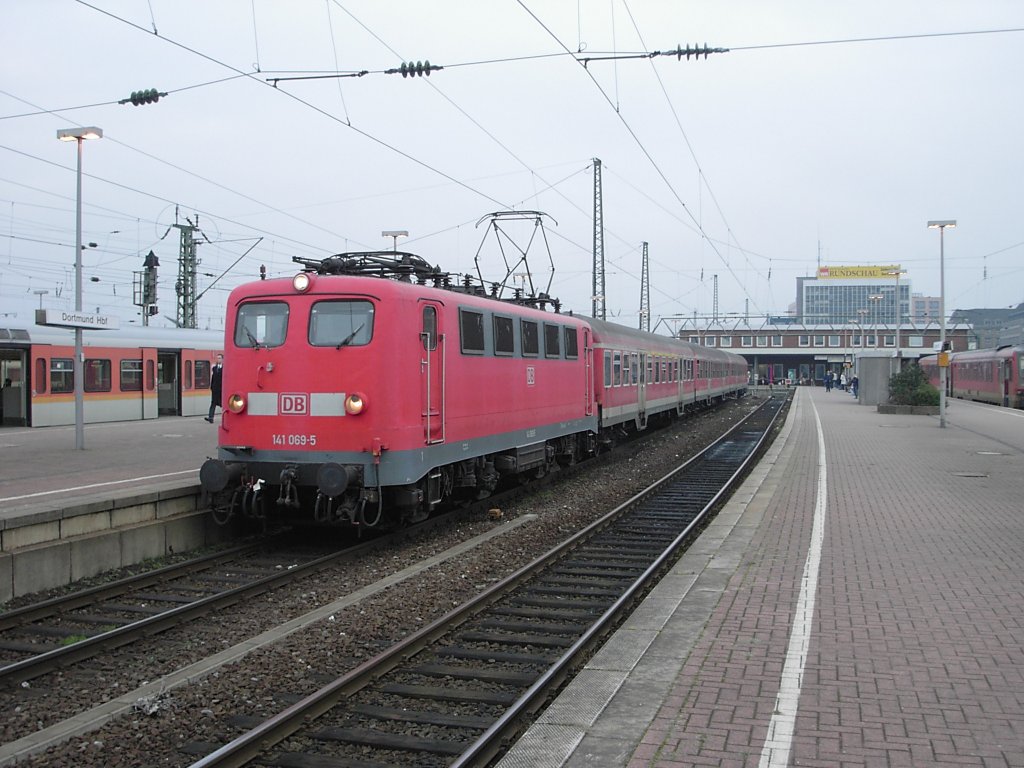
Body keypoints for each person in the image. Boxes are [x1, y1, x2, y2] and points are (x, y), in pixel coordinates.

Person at [206, 354, 223, 423]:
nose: (218, 359)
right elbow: (213, 378)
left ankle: (228, 417)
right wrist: (212, 387)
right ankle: (210, 417)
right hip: (215, 389)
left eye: (219, 358)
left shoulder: (225, 368)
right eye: (217, 358)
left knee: (223, 404)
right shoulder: (214, 368)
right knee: (213, 403)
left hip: (222, 390)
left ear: (222, 359)